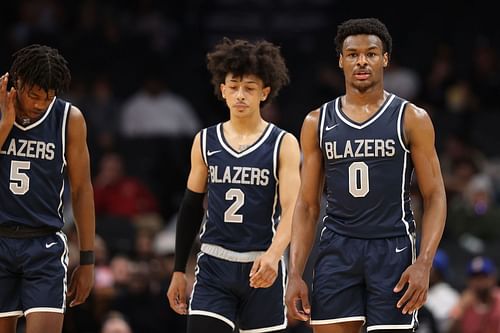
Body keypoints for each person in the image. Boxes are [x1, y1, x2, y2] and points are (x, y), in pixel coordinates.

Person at [285, 18, 447, 333]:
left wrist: (424, 263)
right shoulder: (316, 122)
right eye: (353, 54)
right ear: (340, 61)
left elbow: (435, 195)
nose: (362, 61)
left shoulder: (412, 118)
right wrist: (295, 273)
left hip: (393, 248)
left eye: (371, 53)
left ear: (385, 59)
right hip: (337, 247)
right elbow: (306, 205)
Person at [166, 38, 301, 333]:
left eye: (250, 88)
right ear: (223, 90)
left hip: (262, 265)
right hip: (215, 263)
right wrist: (178, 270)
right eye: (234, 86)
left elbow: (294, 208)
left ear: (264, 92)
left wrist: (274, 254)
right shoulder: (205, 140)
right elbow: (190, 207)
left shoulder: (283, 143)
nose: (241, 94)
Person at [0, 44, 95, 333]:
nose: (41, 104)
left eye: (49, 97)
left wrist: (88, 261)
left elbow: (81, 190)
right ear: (17, 82)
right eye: (34, 95)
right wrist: (6, 125)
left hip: (44, 245)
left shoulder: (70, 119)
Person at [448, 256, 500, 333]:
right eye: (474, 277)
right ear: (468, 281)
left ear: (493, 279)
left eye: (483, 276)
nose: (479, 282)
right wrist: (460, 310)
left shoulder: (498, 301)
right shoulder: (463, 303)